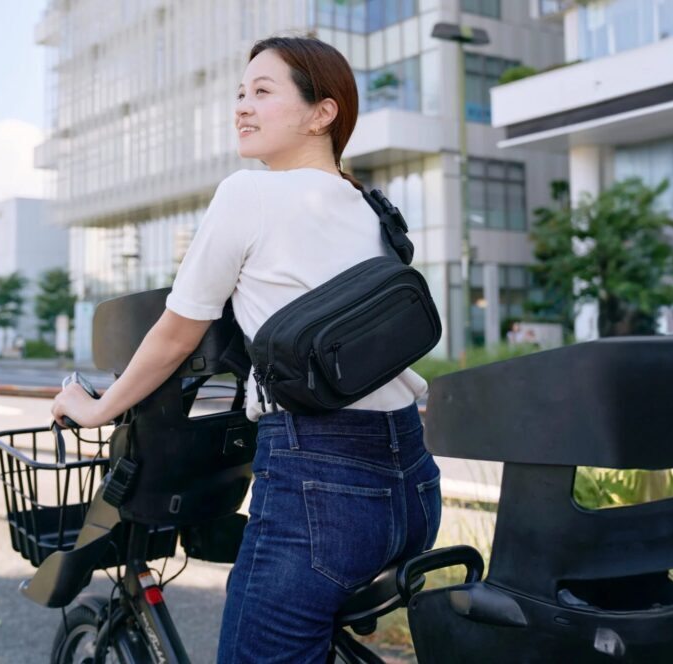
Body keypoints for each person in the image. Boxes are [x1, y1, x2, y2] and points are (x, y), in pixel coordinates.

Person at [50, 35, 441, 664]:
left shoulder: (247, 194)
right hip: (414, 483)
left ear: (322, 113)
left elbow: (178, 331)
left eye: (262, 91)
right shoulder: (373, 209)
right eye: (239, 93)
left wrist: (97, 407)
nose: (242, 106)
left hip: (318, 482)